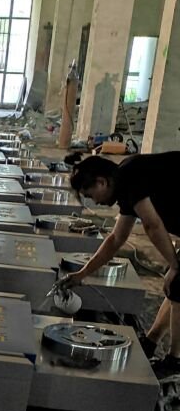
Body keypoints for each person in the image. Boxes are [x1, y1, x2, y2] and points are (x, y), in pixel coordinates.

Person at [63, 152, 180, 377]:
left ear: (101, 182)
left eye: (91, 195)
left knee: (178, 282)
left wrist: (174, 265)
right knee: (176, 286)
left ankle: (175, 361)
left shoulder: (132, 176)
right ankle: (151, 341)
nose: (95, 202)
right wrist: (82, 274)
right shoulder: (124, 181)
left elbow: (152, 225)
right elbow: (116, 238)